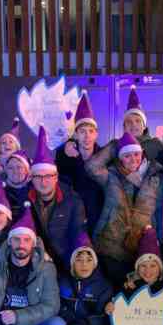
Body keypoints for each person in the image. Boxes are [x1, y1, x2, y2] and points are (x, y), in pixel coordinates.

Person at [86, 131, 163, 290]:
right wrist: (115, 144)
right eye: (127, 155)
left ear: (142, 154)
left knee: (141, 294)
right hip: (112, 246)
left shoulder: (156, 177)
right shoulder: (111, 176)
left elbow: (160, 212)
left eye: (136, 154)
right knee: (116, 292)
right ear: (120, 157)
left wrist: (160, 245)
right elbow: (91, 166)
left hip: (143, 246)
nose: (133, 159)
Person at [29, 126, 88, 274]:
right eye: (38, 176)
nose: (43, 182)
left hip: (65, 266)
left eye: (48, 176)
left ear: (55, 177)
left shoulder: (73, 200)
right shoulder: (25, 202)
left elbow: (78, 234)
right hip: (34, 266)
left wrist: (79, 266)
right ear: (31, 178)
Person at [56, 91, 105, 234]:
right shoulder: (64, 157)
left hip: (98, 220)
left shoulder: (105, 157)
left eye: (91, 131)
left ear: (96, 135)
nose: (87, 136)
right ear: (76, 134)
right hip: (72, 220)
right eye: (82, 131)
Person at [121, 85, 163, 161]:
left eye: (137, 121)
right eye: (129, 122)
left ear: (144, 126)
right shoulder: (118, 146)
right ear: (124, 127)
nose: (133, 124)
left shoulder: (157, 145)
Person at [4, 149, 32, 222]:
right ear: (6, 171)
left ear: (27, 170)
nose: (15, 171)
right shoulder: (1, 192)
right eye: (10, 168)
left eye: (19, 167)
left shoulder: (36, 191)